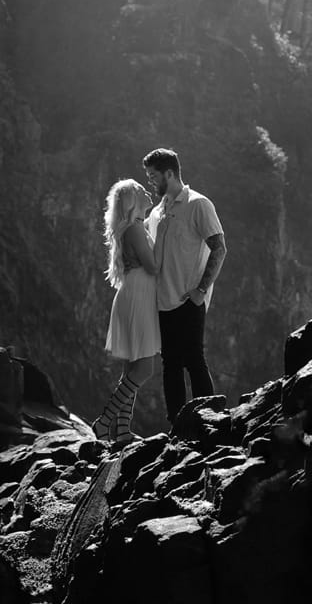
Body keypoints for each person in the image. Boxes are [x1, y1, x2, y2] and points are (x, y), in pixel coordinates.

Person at [142, 148, 226, 425]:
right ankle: (177, 426)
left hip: (189, 299)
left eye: (154, 176)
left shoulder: (198, 204)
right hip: (161, 300)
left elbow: (219, 248)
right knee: (171, 366)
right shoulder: (156, 213)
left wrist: (201, 290)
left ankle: (210, 421)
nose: (151, 182)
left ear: (169, 173)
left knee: (193, 359)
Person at [91, 178, 159, 442]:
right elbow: (153, 266)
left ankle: (121, 432)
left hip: (134, 293)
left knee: (132, 368)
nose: (147, 192)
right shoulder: (135, 229)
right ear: (133, 201)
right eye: (141, 190)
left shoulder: (135, 227)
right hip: (138, 295)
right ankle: (104, 422)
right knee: (144, 368)